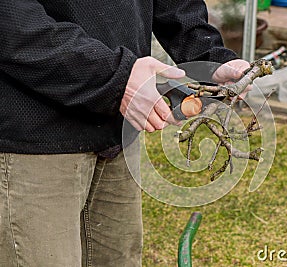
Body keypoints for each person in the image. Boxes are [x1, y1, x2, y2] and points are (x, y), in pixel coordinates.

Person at [0, 0, 250, 266]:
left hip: (116, 133)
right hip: (35, 138)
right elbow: (11, 19)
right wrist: (116, 78)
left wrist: (208, 58)